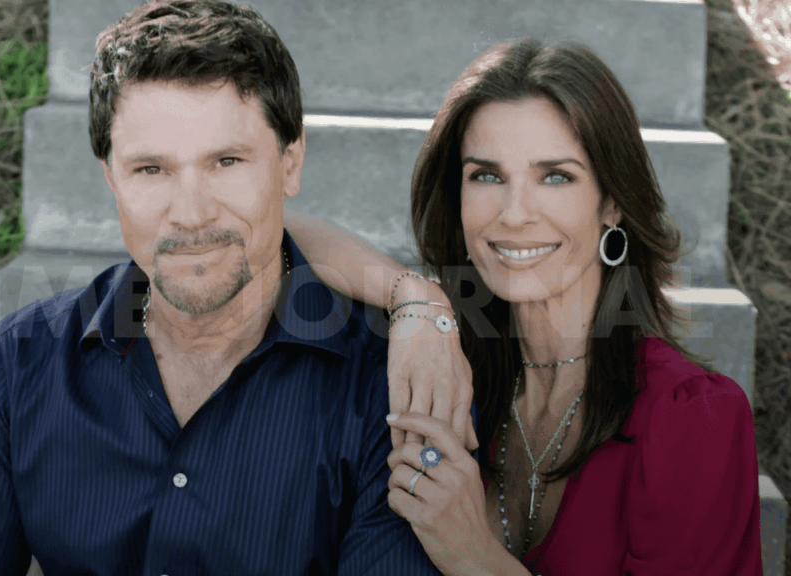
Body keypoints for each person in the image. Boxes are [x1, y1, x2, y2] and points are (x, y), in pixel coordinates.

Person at [0, 1, 477, 574]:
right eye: (151, 169)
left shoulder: (388, 385)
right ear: (111, 178)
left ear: (290, 161)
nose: (192, 214)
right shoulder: (22, 361)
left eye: (227, 161)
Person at [286, 37, 763, 574]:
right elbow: (264, 227)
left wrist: (475, 555)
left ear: (612, 202)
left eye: (555, 176)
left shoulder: (692, 419)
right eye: (486, 175)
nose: (514, 214)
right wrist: (416, 298)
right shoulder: (448, 370)